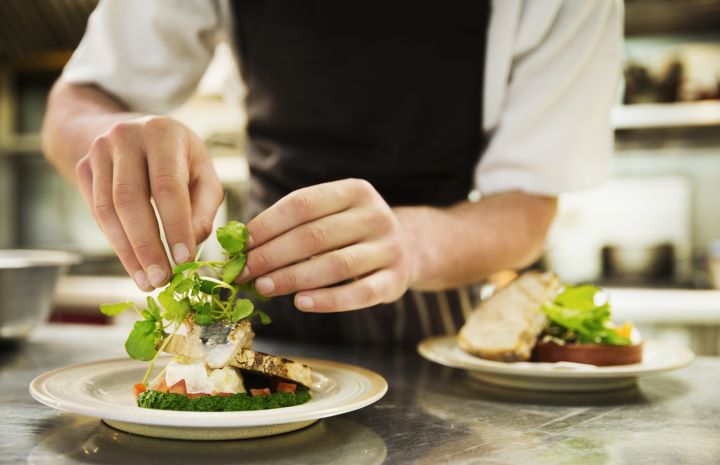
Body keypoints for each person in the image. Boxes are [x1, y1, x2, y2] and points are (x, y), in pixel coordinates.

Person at [43, 0, 623, 344]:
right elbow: (73, 106)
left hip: (441, 308)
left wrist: (412, 245)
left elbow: (526, 207)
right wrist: (109, 138)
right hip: (267, 297)